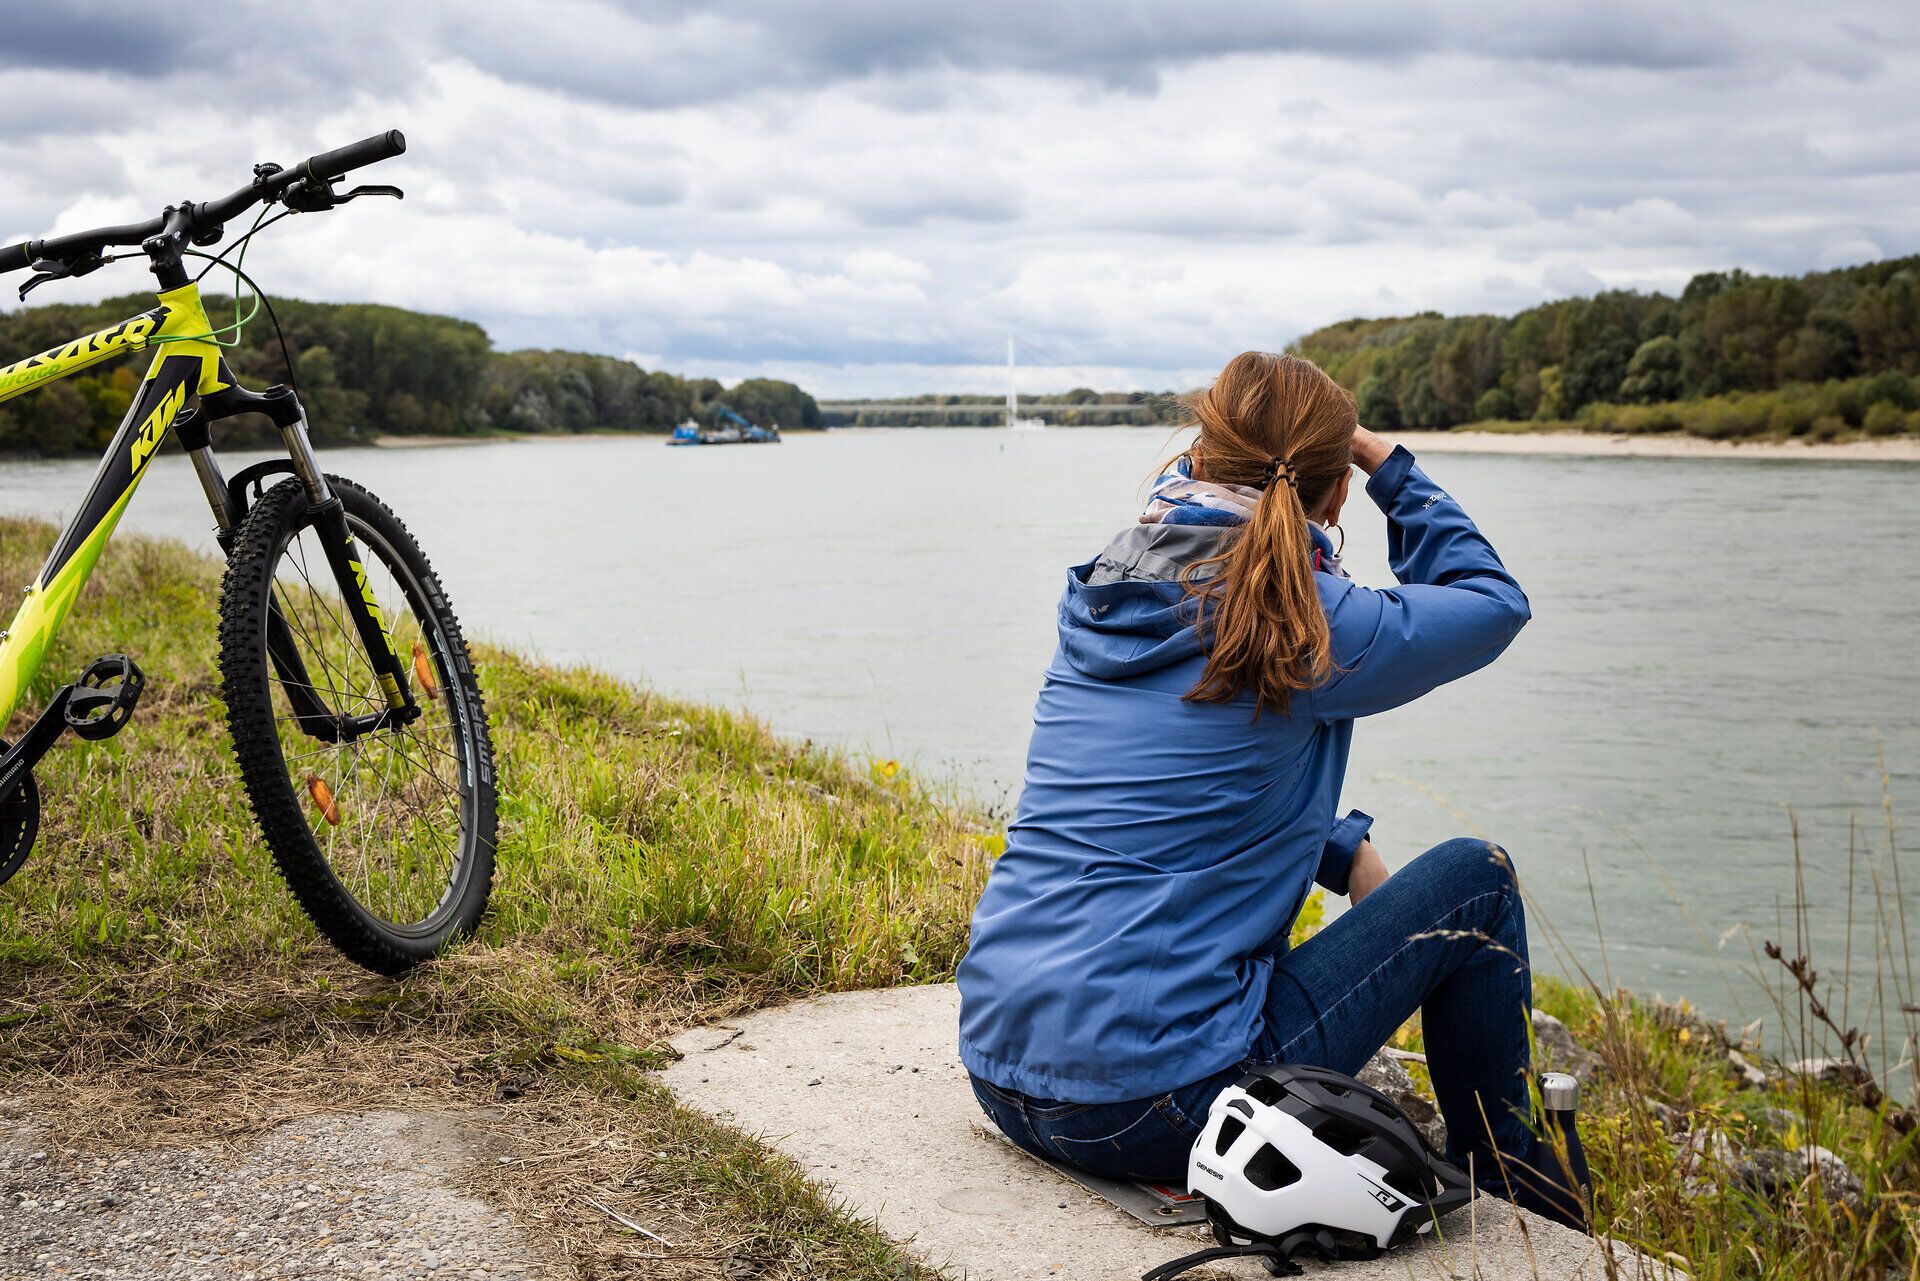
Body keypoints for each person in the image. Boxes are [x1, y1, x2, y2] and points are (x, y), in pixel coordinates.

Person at [956, 350, 1587, 1229]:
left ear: (1201, 459)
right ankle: (1525, 1196)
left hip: (998, 1069)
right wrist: (1385, 464)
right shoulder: (1303, 620)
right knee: (1475, 879)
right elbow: (1491, 600)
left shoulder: (1108, 590)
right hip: (1155, 1110)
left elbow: (1184, 780)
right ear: (1330, 497)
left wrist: (1341, 844)